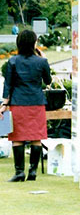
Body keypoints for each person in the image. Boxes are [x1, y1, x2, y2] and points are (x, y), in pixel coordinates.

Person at [1, 29, 52, 182]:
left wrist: (4, 104)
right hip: (36, 102)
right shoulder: (41, 62)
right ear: (33, 43)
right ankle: (33, 171)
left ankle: (19, 172)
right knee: (36, 136)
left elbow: (8, 84)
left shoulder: (13, 61)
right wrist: (44, 59)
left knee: (18, 137)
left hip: (18, 103)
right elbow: (48, 81)